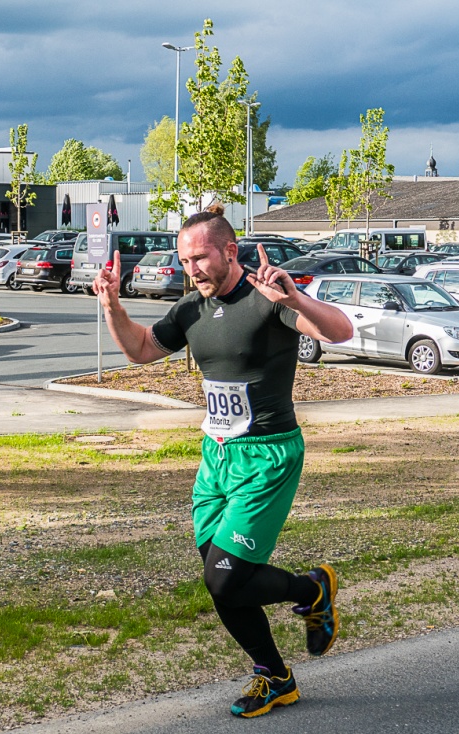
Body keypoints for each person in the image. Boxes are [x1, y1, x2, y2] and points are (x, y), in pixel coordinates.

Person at [92, 204, 354, 719]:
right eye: (185, 259)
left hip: (268, 456)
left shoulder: (267, 298)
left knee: (225, 578)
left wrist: (296, 296)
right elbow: (142, 350)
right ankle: (275, 675)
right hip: (215, 457)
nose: (192, 268)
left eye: (201, 257)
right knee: (221, 573)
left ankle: (311, 588)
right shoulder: (190, 309)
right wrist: (112, 307)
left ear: (229, 251)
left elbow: (338, 332)